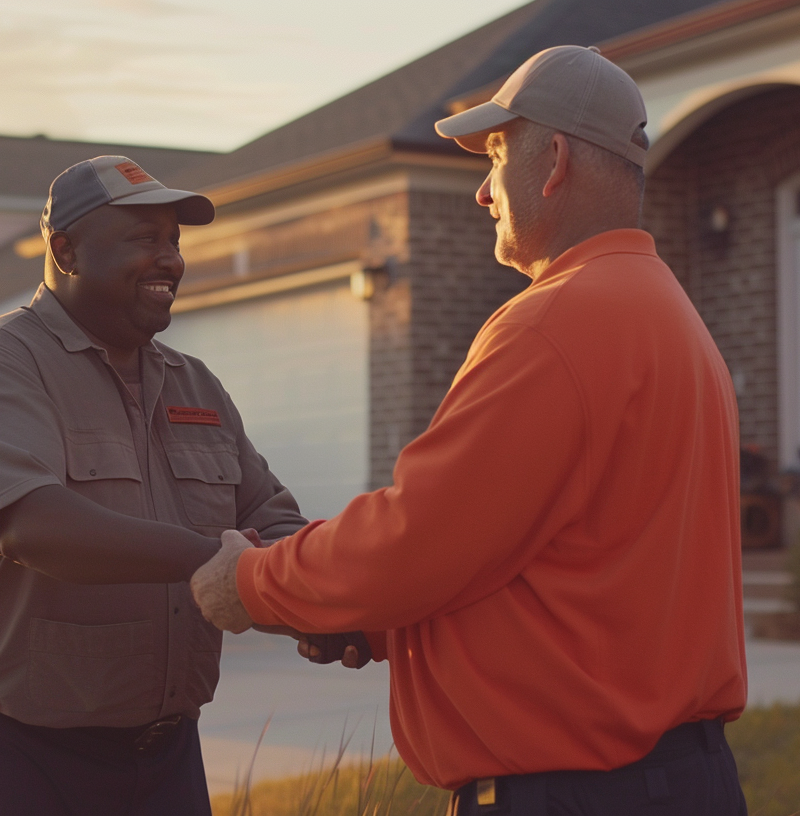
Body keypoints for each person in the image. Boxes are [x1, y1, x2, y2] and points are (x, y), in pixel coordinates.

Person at [191, 45, 748, 815]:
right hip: (678, 780)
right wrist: (382, 627)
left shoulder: (556, 324)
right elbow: (548, 560)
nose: (483, 193)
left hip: (572, 794)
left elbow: (417, 538)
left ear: (552, 161)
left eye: (495, 156)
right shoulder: (675, 321)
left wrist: (252, 584)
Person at [0, 155, 308, 815]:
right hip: (20, 756)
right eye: (143, 239)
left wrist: (332, 599)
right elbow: (33, 524)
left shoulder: (196, 385)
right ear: (65, 250)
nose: (170, 260)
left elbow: (272, 522)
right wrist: (220, 564)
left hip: (165, 756)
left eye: (175, 241)